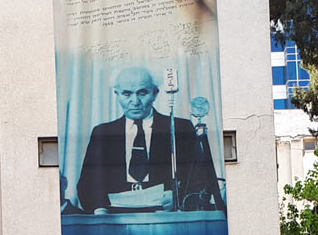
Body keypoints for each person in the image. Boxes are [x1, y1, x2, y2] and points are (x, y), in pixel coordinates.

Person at [72, 66, 221, 214]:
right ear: (116, 94)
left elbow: (201, 178)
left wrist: (178, 197)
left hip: (165, 216)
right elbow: (87, 183)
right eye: (127, 94)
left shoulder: (179, 128)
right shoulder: (102, 133)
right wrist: (100, 209)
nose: (135, 101)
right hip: (115, 218)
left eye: (142, 93)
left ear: (155, 94)